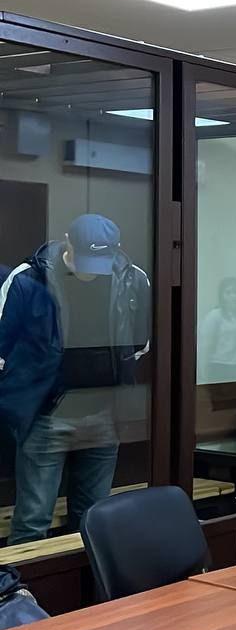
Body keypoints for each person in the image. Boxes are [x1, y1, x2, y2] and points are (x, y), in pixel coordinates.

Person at [0, 214, 151, 544]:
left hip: (104, 413)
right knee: (33, 522)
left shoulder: (132, 279)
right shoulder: (29, 278)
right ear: (67, 241)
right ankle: (23, 580)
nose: (91, 272)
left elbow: (140, 344)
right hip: (46, 416)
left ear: (116, 249)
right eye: (85, 261)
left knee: (94, 519)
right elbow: (2, 347)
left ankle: (93, 580)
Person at [198, 276, 236, 382]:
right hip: (219, 367)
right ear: (222, 295)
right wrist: (203, 375)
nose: (233, 296)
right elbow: (206, 347)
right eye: (228, 292)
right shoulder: (215, 315)